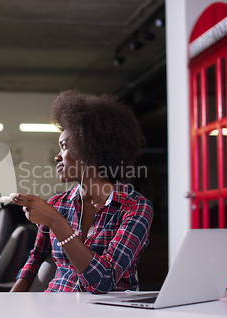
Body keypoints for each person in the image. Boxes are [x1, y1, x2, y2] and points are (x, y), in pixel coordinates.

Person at [9, 90, 153, 293]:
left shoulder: (135, 208)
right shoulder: (58, 204)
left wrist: (56, 221)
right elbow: (35, 261)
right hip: (54, 310)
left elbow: (103, 280)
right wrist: (9, 304)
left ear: (91, 149)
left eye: (64, 146)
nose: (57, 157)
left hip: (107, 317)